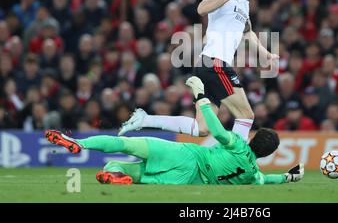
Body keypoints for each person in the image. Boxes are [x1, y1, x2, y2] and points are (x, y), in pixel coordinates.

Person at [119, 0, 279, 141]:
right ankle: (238, 164)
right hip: (214, 62)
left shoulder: (245, 4)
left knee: (202, 128)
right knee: (246, 115)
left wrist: (266, 54)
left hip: (210, 65)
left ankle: (145, 120)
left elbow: (248, 32)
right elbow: (202, 9)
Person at [45, 76, 304, 185]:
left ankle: (80, 144)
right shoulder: (252, 174)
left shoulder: (237, 143)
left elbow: (216, 129)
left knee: (124, 145)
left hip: (184, 156)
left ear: (254, 138)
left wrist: (200, 97)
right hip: (184, 180)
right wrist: (288, 177)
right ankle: (115, 177)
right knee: (121, 168)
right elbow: (266, 180)